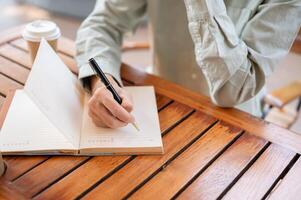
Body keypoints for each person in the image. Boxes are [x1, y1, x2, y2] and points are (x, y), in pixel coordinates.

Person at [75, 0, 301, 128]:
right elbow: (103, 23)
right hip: (161, 107)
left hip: (237, 122)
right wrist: (101, 81)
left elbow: (235, 89)